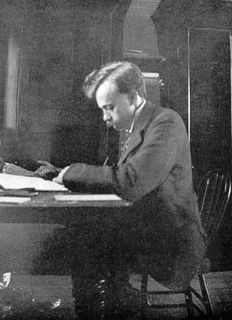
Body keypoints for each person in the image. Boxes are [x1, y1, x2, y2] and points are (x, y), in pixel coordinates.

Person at [34, 61, 206, 319]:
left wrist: (70, 173)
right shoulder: (139, 127)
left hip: (172, 242)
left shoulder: (166, 123)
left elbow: (131, 181)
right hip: (148, 228)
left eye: (110, 107)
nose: (105, 117)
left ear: (134, 97)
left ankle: (106, 307)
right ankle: (109, 303)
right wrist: (62, 173)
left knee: (87, 239)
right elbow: (120, 177)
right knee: (83, 235)